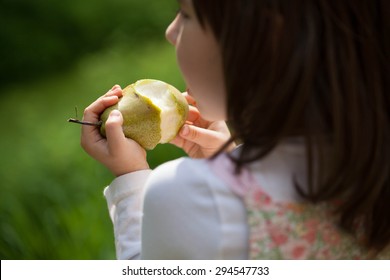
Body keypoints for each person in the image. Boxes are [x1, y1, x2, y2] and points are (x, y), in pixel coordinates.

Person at [79, 0, 390, 259]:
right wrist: (230, 161)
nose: (170, 31)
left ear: (266, 38)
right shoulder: (372, 159)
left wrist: (131, 179)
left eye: (186, 14)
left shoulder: (182, 195)